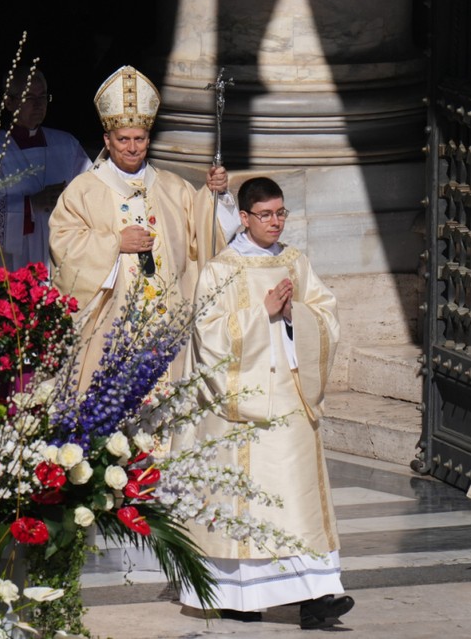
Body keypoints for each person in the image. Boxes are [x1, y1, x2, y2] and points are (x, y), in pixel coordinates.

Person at [176, 176, 353, 629]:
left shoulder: (296, 262)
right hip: (239, 403)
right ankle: (239, 595)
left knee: (297, 498)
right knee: (246, 503)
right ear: (244, 217)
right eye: (266, 215)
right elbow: (207, 335)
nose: (275, 222)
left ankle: (317, 595)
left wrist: (298, 314)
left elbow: (327, 316)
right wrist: (263, 313)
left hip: (291, 397)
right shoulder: (220, 268)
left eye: (281, 213)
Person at [48, 65, 240, 390]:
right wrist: (114, 243)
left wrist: (215, 195)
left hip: (167, 318)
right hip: (114, 320)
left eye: (139, 139)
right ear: (107, 141)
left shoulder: (173, 187)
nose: (132, 147)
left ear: (149, 140)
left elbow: (205, 236)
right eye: (123, 139)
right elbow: (63, 245)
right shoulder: (83, 189)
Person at [0, 69, 92, 272]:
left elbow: (91, 195)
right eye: (29, 97)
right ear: (9, 103)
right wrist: (30, 205)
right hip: (11, 266)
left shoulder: (66, 145)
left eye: (43, 96)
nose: (38, 104)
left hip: (59, 257)